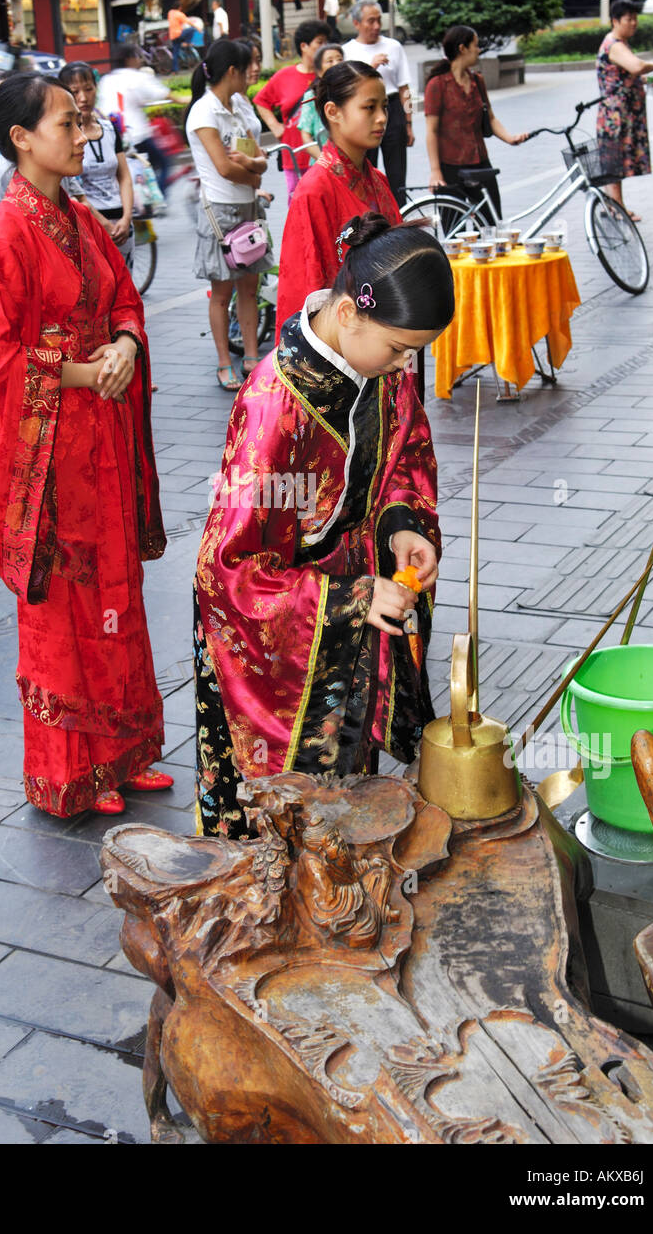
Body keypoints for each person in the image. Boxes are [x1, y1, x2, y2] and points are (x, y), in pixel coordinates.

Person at [194, 213, 454, 838]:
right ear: (346, 314)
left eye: (412, 354)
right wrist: (354, 598)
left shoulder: (381, 364)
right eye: (397, 350)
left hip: (344, 604)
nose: (402, 368)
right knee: (282, 830)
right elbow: (224, 573)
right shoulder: (275, 406)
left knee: (347, 796)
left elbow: (406, 451)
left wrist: (401, 523)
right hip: (282, 629)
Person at [0, 72, 170, 817]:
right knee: (66, 604)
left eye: (82, 122)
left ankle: (122, 753)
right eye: (67, 123)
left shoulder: (81, 217)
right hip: (49, 456)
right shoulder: (6, 233)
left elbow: (124, 294)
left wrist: (124, 341)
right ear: (21, 139)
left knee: (116, 592)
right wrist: (85, 369)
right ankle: (68, 772)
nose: (83, 135)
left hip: (105, 438)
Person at [275, 60, 401, 341]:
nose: (381, 117)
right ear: (333, 112)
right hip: (342, 348)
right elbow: (306, 289)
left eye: (384, 107)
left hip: (387, 337)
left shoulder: (377, 180)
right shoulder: (314, 191)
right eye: (369, 108)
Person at [185, 38, 275, 389]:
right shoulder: (204, 112)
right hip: (220, 213)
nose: (251, 76)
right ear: (232, 71)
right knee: (222, 293)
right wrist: (254, 174)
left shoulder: (238, 106)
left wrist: (254, 169)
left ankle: (252, 359)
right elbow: (223, 168)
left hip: (249, 209)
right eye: (247, 68)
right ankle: (225, 363)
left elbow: (259, 157)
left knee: (249, 289)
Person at [425, 25, 528, 219]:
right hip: (450, 167)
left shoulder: (477, 81)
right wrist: (435, 172)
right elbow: (431, 131)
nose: (479, 50)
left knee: (492, 221)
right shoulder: (437, 85)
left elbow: (490, 117)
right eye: (476, 45)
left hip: (480, 162)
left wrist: (510, 138)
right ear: (462, 49)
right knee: (455, 230)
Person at [58, 62, 135, 270]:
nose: (83, 97)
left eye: (88, 89)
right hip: (87, 225)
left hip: (121, 222)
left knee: (126, 290)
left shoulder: (110, 129)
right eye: (75, 92)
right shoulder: (63, 137)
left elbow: (124, 177)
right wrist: (104, 225)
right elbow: (71, 191)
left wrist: (126, 218)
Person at [342, 0, 414, 205]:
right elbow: (347, 89)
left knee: (397, 173)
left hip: (392, 107)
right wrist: (370, 67)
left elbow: (404, 88)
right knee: (366, 169)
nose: (375, 26)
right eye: (370, 21)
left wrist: (408, 123)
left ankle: (399, 216)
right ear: (357, 23)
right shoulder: (347, 52)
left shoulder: (394, 46)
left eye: (378, 20)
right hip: (363, 112)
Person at [596, 0, 653, 219]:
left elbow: (628, 74)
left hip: (619, 114)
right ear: (615, 21)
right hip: (616, 115)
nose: (634, 23)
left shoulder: (619, 43)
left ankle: (613, 205)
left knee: (616, 160)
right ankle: (616, 207)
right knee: (614, 161)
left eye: (635, 18)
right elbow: (636, 66)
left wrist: (647, 78)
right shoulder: (614, 45)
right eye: (628, 19)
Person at [253, 18, 330, 198]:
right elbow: (260, 101)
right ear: (304, 46)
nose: (325, 47)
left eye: (327, 42)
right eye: (320, 42)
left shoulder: (330, 75)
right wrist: (275, 127)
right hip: (294, 153)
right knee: (297, 202)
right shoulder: (284, 76)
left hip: (324, 153)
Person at [96, 45, 171, 197]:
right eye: (137, 57)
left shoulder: (106, 80)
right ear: (129, 59)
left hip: (112, 135)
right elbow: (163, 93)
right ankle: (158, 197)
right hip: (136, 135)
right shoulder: (137, 77)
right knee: (163, 163)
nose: (140, 60)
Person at [297, 43, 344, 161]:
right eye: (330, 61)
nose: (336, 64)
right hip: (324, 165)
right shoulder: (311, 97)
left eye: (340, 59)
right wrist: (327, 161)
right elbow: (306, 137)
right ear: (318, 70)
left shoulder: (352, 94)